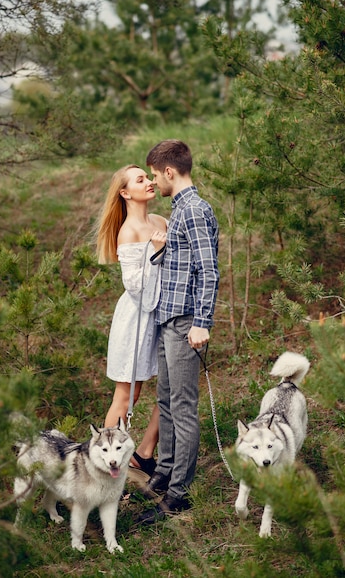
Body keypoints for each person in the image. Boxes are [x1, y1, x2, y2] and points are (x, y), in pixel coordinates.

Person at [137, 139, 219, 524]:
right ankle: (166, 471)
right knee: (167, 401)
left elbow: (208, 270)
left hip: (187, 322)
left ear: (169, 171)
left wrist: (202, 322)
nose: (155, 181)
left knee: (184, 408)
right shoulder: (179, 211)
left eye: (155, 174)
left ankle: (180, 494)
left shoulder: (196, 211)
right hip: (168, 320)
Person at [96, 164, 167, 476]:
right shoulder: (128, 231)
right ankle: (100, 465)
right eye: (141, 179)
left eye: (148, 177)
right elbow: (135, 287)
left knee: (170, 387)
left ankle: (144, 453)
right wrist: (156, 252)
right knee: (127, 396)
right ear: (125, 193)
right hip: (136, 319)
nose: (150, 182)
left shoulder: (161, 221)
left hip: (162, 316)